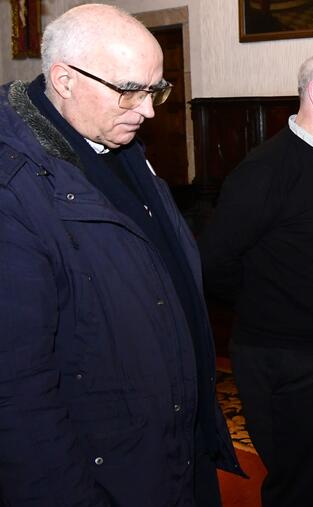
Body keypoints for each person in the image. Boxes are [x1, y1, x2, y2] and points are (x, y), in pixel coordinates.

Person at [0, 4, 241, 505]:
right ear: (64, 80)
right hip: (103, 473)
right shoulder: (14, 186)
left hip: (172, 448)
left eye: (156, 90)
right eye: (130, 90)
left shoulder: (118, 143)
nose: (149, 110)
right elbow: (18, 390)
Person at [199, 50, 313, 506]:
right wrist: (277, 307)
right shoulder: (265, 170)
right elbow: (214, 260)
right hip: (288, 361)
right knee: (298, 488)